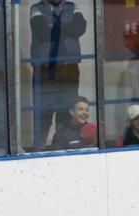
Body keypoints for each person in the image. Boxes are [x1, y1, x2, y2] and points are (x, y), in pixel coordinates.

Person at [30, 0, 88, 146]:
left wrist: (54, 28)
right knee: (43, 114)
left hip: (69, 68)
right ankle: (39, 152)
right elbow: (42, 32)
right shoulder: (36, 8)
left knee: (65, 111)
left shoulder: (73, 6)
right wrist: (67, 29)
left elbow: (80, 28)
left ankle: (60, 148)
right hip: (44, 69)